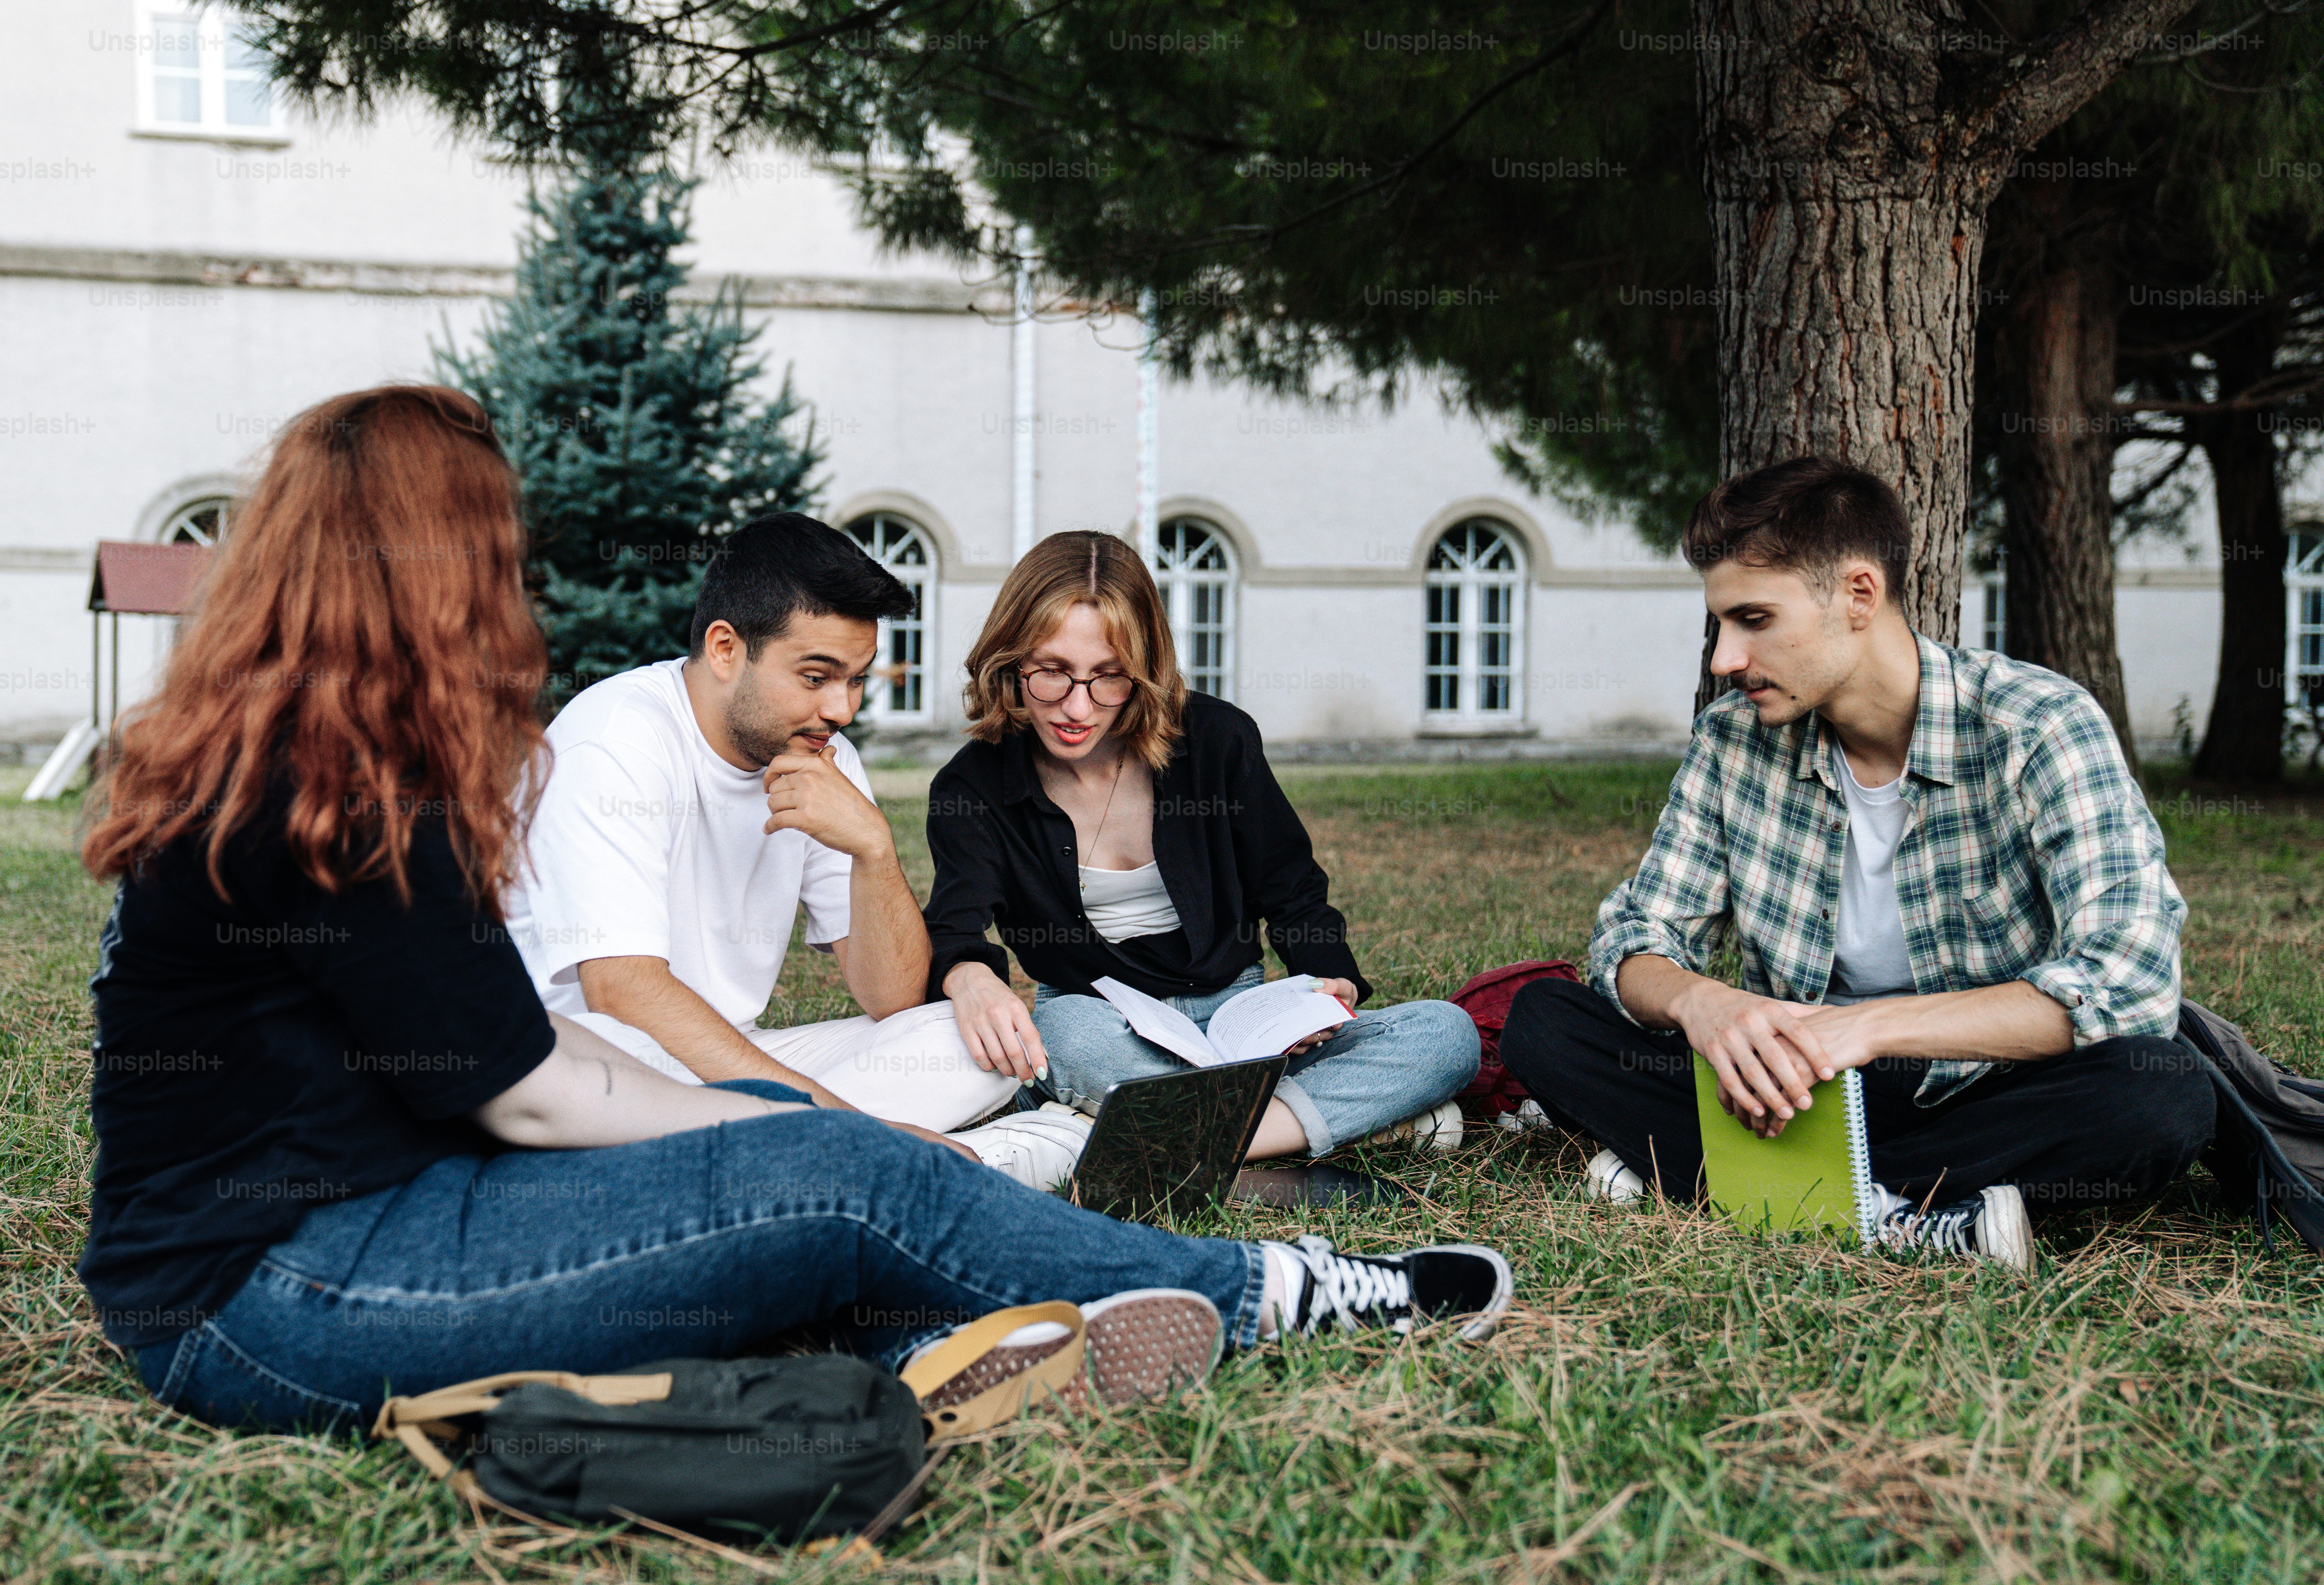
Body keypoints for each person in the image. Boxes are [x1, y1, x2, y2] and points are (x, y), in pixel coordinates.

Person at [74, 385, 1515, 1434]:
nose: (511, 582)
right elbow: (539, 1080)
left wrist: (859, 903)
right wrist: (798, 1133)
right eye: (493, 547)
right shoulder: (336, 782)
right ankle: (1278, 1290)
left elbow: (498, 1079)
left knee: (831, 1178)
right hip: (277, 1291)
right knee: (836, 1178)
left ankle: (959, 1335)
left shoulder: (307, 742)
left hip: (396, 1203)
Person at [1499, 456, 2213, 1271]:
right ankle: (1915, 1210)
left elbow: (2130, 982)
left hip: (1980, 1084)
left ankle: (1739, 1184)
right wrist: (1705, 1004)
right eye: (1721, 624)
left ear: (1860, 596)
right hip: (1790, 1087)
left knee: (2164, 1093)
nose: (1725, 659)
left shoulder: (2040, 724)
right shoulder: (1734, 740)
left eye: (1754, 619)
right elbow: (1636, 933)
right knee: (1544, 1022)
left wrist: (1862, 1030)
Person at [923, 531, 1483, 1189]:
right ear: (1009, 661)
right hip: (1104, 1027)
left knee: (1446, 1033)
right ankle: (1292, 1130)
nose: (1078, 707)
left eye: (1109, 677)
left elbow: (1292, 888)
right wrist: (969, 975)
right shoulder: (975, 787)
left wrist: (1331, 986)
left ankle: (1168, 1141)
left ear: (1146, 669)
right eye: (1051, 672)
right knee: (1066, 1034)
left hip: (1243, 1022)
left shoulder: (1217, 740)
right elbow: (954, 924)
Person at [500, 512, 1012, 1141]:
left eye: (856, 680)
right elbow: (619, 990)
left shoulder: (823, 755)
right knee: (605, 1061)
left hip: (730, 1059)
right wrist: (863, 1133)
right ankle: (858, 1153)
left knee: (964, 1045)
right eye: (816, 677)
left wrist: (873, 849)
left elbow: (893, 1001)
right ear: (725, 649)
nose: (842, 709)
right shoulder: (614, 740)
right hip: (599, 1067)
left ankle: (787, 1153)